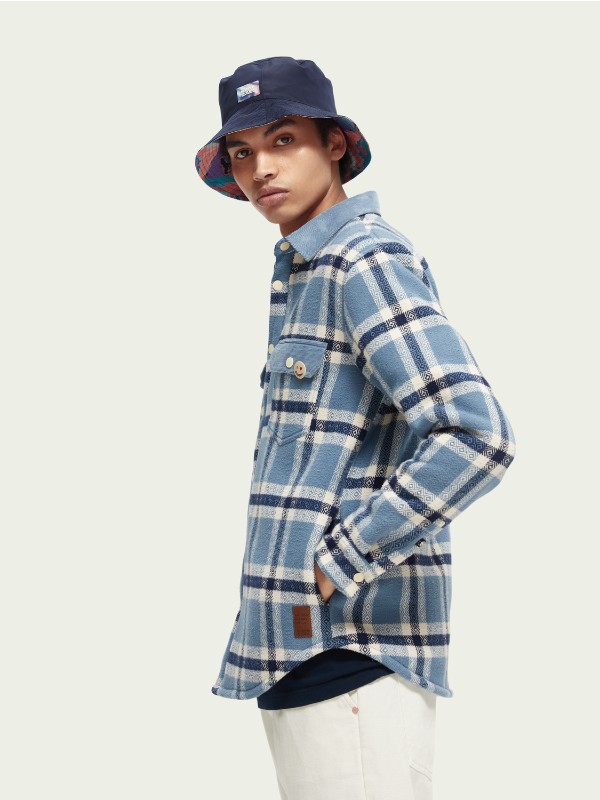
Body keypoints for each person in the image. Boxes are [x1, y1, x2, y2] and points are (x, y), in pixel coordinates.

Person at [195, 56, 516, 800]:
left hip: (355, 655)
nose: (259, 169)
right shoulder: (308, 269)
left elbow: (477, 435)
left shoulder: (362, 260)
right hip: (299, 654)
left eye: (282, 141)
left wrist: (335, 563)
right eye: (241, 152)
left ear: (333, 144)